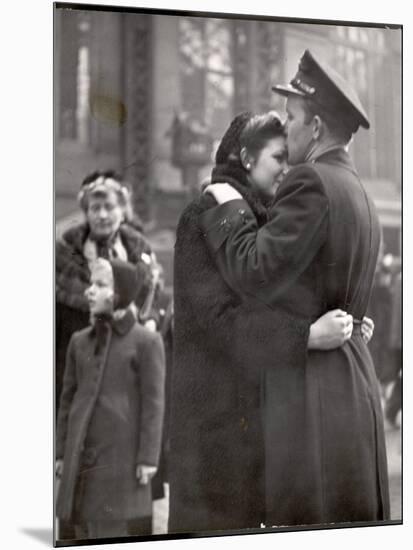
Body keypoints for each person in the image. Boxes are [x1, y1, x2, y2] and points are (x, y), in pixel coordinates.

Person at [202, 50, 389, 526]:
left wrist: (226, 205)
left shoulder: (309, 180)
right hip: (353, 389)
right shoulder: (362, 195)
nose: (284, 131)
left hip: (309, 398)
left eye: (291, 118)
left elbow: (253, 270)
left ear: (318, 128)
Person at [169, 110, 375, 533]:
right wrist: (306, 337)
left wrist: (345, 321)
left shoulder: (260, 214)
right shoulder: (201, 216)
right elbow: (221, 323)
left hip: (252, 425)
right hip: (214, 430)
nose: (288, 167)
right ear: (246, 157)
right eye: (278, 157)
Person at [56, 258, 165, 539]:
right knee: (76, 530)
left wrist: (148, 458)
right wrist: (60, 453)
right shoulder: (79, 341)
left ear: (121, 293)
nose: (89, 291)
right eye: (91, 283)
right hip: (79, 461)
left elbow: (153, 405)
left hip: (120, 463)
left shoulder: (146, 342)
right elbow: (67, 402)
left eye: (100, 284)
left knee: (110, 532)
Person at [56, 170, 156, 414]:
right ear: (86, 212)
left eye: (109, 207)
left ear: (122, 211)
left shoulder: (138, 252)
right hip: (76, 355)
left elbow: (146, 306)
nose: (102, 215)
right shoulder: (67, 254)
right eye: (94, 208)